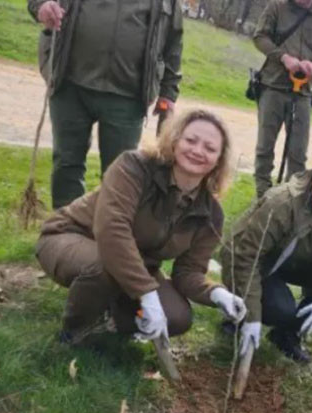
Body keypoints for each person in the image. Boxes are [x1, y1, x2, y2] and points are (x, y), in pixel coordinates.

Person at [36, 110, 244, 345]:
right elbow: (112, 230)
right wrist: (147, 294)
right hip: (71, 236)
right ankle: (75, 332)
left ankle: (108, 322)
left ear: (219, 160)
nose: (198, 151)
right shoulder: (135, 166)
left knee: (177, 317)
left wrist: (217, 294)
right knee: (104, 267)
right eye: (191, 140)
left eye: (210, 148)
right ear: (175, 140)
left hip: (135, 263)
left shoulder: (211, 213)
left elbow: (189, 272)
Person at [28, 0, 184, 209]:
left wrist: (169, 91)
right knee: (66, 163)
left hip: (127, 96)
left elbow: (173, 41)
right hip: (71, 85)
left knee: (119, 173)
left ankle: (107, 232)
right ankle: (64, 229)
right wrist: (41, 6)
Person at [221, 153, 312, 364]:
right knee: (280, 310)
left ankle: (287, 335)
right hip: (250, 260)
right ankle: (238, 315)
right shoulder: (284, 202)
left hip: (293, 260)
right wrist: (253, 316)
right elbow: (247, 257)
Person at [252, 0, 312, 197]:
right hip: (273, 86)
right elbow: (260, 37)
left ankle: (291, 199)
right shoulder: (276, 7)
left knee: (298, 153)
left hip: (303, 93)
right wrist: (283, 57)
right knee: (265, 147)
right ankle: (262, 196)